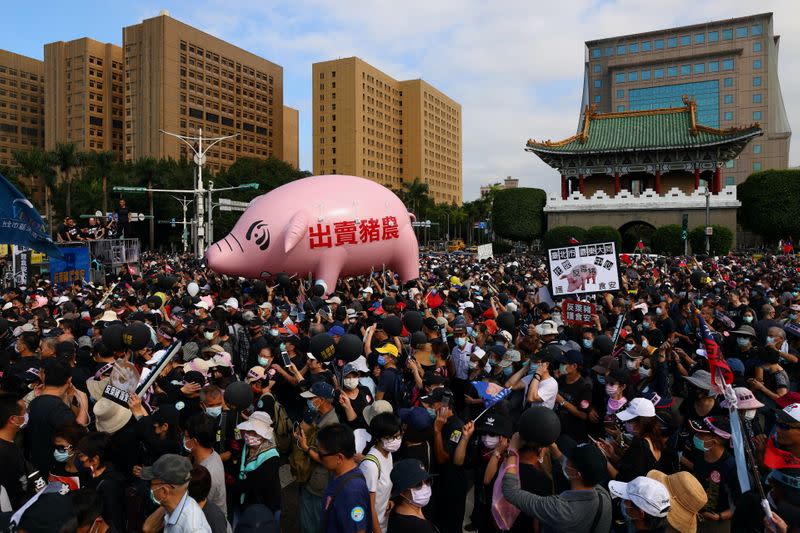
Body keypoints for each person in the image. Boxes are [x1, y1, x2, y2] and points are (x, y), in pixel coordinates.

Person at [502, 438, 612, 533]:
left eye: (570, 459)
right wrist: (553, 445)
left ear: (576, 474)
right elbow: (570, 468)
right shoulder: (603, 495)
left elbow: (511, 492)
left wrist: (513, 451)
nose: (566, 460)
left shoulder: (561, 510)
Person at [317, 423, 373, 533]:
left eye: (321, 454)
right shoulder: (340, 474)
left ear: (339, 458)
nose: (320, 458)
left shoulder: (352, 492)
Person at [141, 453, 212, 532]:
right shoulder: (175, 505)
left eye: (151, 484)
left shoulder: (193, 529)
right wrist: (165, 502)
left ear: (164, 491)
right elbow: (147, 529)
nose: (150, 488)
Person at [360, 412, 400, 533]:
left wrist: (387, 500)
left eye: (398, 436)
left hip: (384, 522)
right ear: (378, 438)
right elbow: (369, 507)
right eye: (390, 438)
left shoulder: (389, 454)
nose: (396, 440)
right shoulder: (370, 465)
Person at [184, 413, 227, 517]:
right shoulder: (211, 453)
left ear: (194, 441)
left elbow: (196, 509)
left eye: (186, 436)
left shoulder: (208, 474)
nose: (184, 439)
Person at [387, 458, 436, 533]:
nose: (425, 486)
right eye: (418, 484)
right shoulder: (420, 528)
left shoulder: (396, 510)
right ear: (402, 491)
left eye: (427, 481)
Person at [0, 397, 27, 509]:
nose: (26, 416)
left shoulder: (10, 443)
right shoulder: (6, 453)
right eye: (24, 413)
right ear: (13, 419)